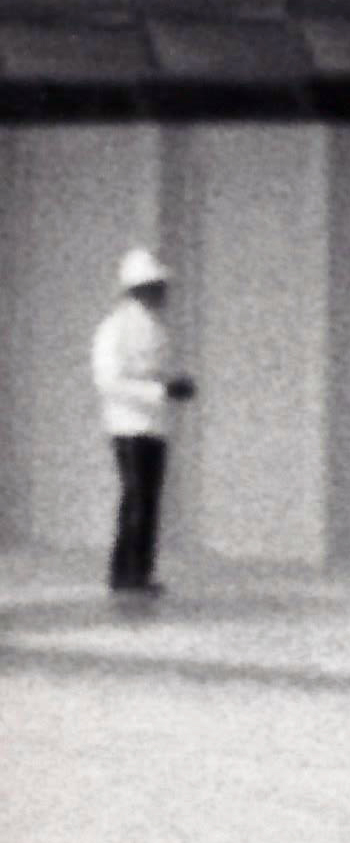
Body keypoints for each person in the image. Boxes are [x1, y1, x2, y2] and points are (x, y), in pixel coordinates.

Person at [88, 249, 190, 600]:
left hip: (154, 426)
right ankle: (125, 573)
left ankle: (140, 572)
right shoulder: (114, 329)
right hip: (127, 426)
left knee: (148, 499)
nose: (163, 292)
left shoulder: (155, 329)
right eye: (157, 285)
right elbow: (109, 381)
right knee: (136, 498)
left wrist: (172, 387)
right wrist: (160, 391)